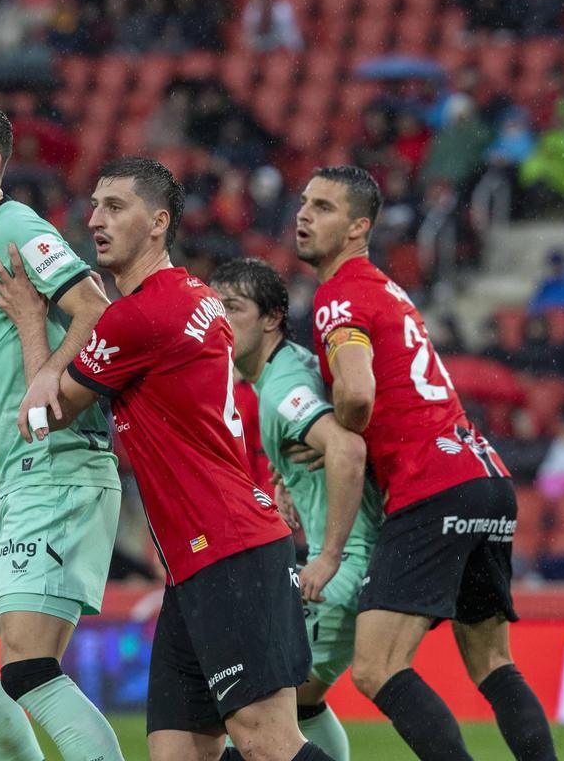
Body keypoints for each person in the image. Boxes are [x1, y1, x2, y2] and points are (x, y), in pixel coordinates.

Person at [0, 157, 333, 761]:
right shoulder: (194, 296)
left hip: (228, 546)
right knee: (177, 751)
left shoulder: (139, 315)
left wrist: (29, 319)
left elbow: (43, 414)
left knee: (267, 742)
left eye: (116, 207)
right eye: (94, 206)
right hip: (200, 557)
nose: (95, 219)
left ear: (159, 222)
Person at [295, 165, 557, 761]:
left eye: (325, 207)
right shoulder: (385, 288)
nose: (304, 215)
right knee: (493, 663)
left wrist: (329, 436)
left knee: (376, 668)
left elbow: (358, 394)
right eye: (305, 203)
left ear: (359, 227)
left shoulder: (339, 295)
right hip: (483, 477)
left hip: (431, 486)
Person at [0, 98, 124, 761]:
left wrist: (47, 377)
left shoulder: (14, 228)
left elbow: (97, 311)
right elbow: (18, 376)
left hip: (62, 472)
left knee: (30, 669)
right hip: (17, 475)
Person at [211, 257, 383, 761]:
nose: (221, 319)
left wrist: (328, 556)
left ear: (271, 319)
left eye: (234, 308)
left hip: (344, 570)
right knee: (302, 707)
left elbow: (347, 450)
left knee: (253, 714)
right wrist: (289, 478)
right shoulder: (287, 371)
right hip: (362, 564)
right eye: (214, 308)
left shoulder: (282, 389)